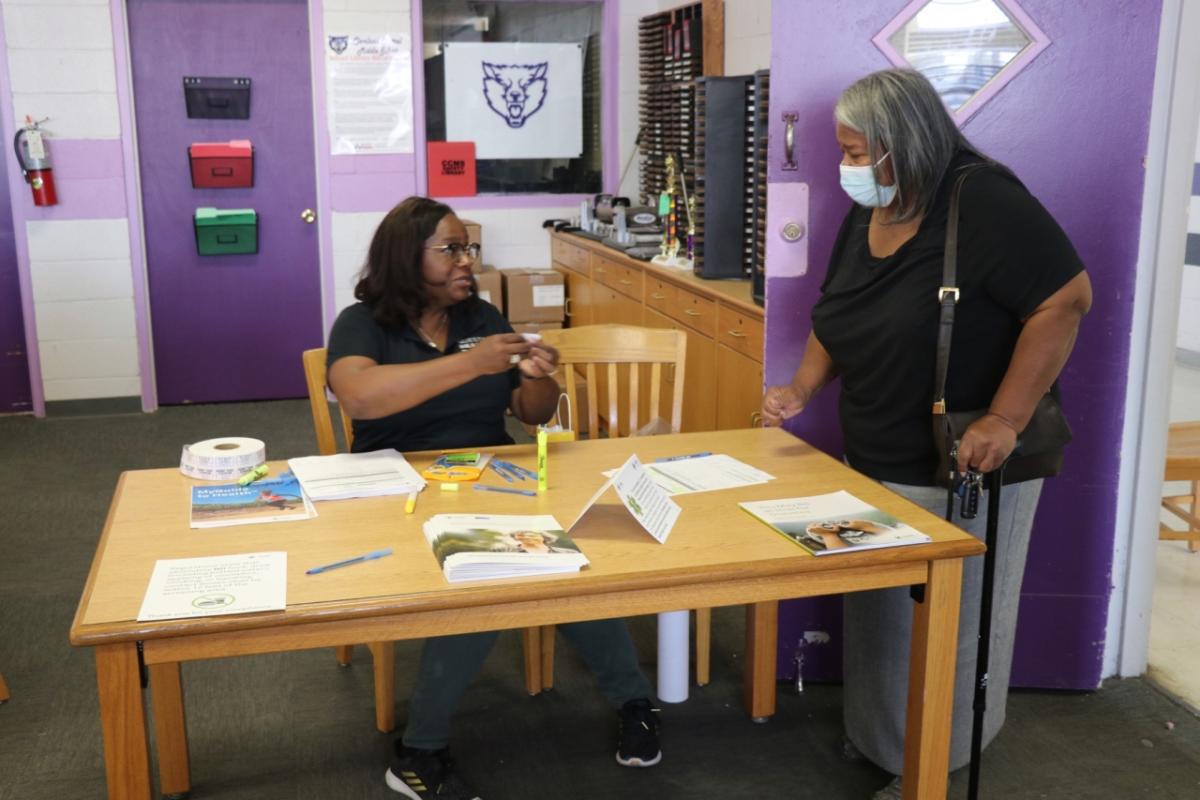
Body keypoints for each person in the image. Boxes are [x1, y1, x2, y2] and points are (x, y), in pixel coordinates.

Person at [761, 69, 1092, 799]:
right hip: (874, 451)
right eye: (843, 151)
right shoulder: (873, 209)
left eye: (856, 152)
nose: (845, 168)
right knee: (884, 620)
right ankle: (885, 743)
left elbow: (1066, 300)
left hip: (961, 464)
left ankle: (934, 767)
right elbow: (838, 313)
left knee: (954, 624)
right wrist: (799, 390)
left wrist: (1004, 419)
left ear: (902, 145)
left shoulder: (985, 203)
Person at [326, 196, 661, 800]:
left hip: (487, 479)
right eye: (451, 249)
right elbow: (361, 399)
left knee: (572, 560)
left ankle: (634, 701)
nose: (467, 261)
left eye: (469, 249)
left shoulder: (481, 316)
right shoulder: (364, 322)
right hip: (397, 487)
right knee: (481, 576)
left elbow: (530, 416)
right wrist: (471, 365)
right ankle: (418, 754)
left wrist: (537, 380)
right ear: (408, 256)